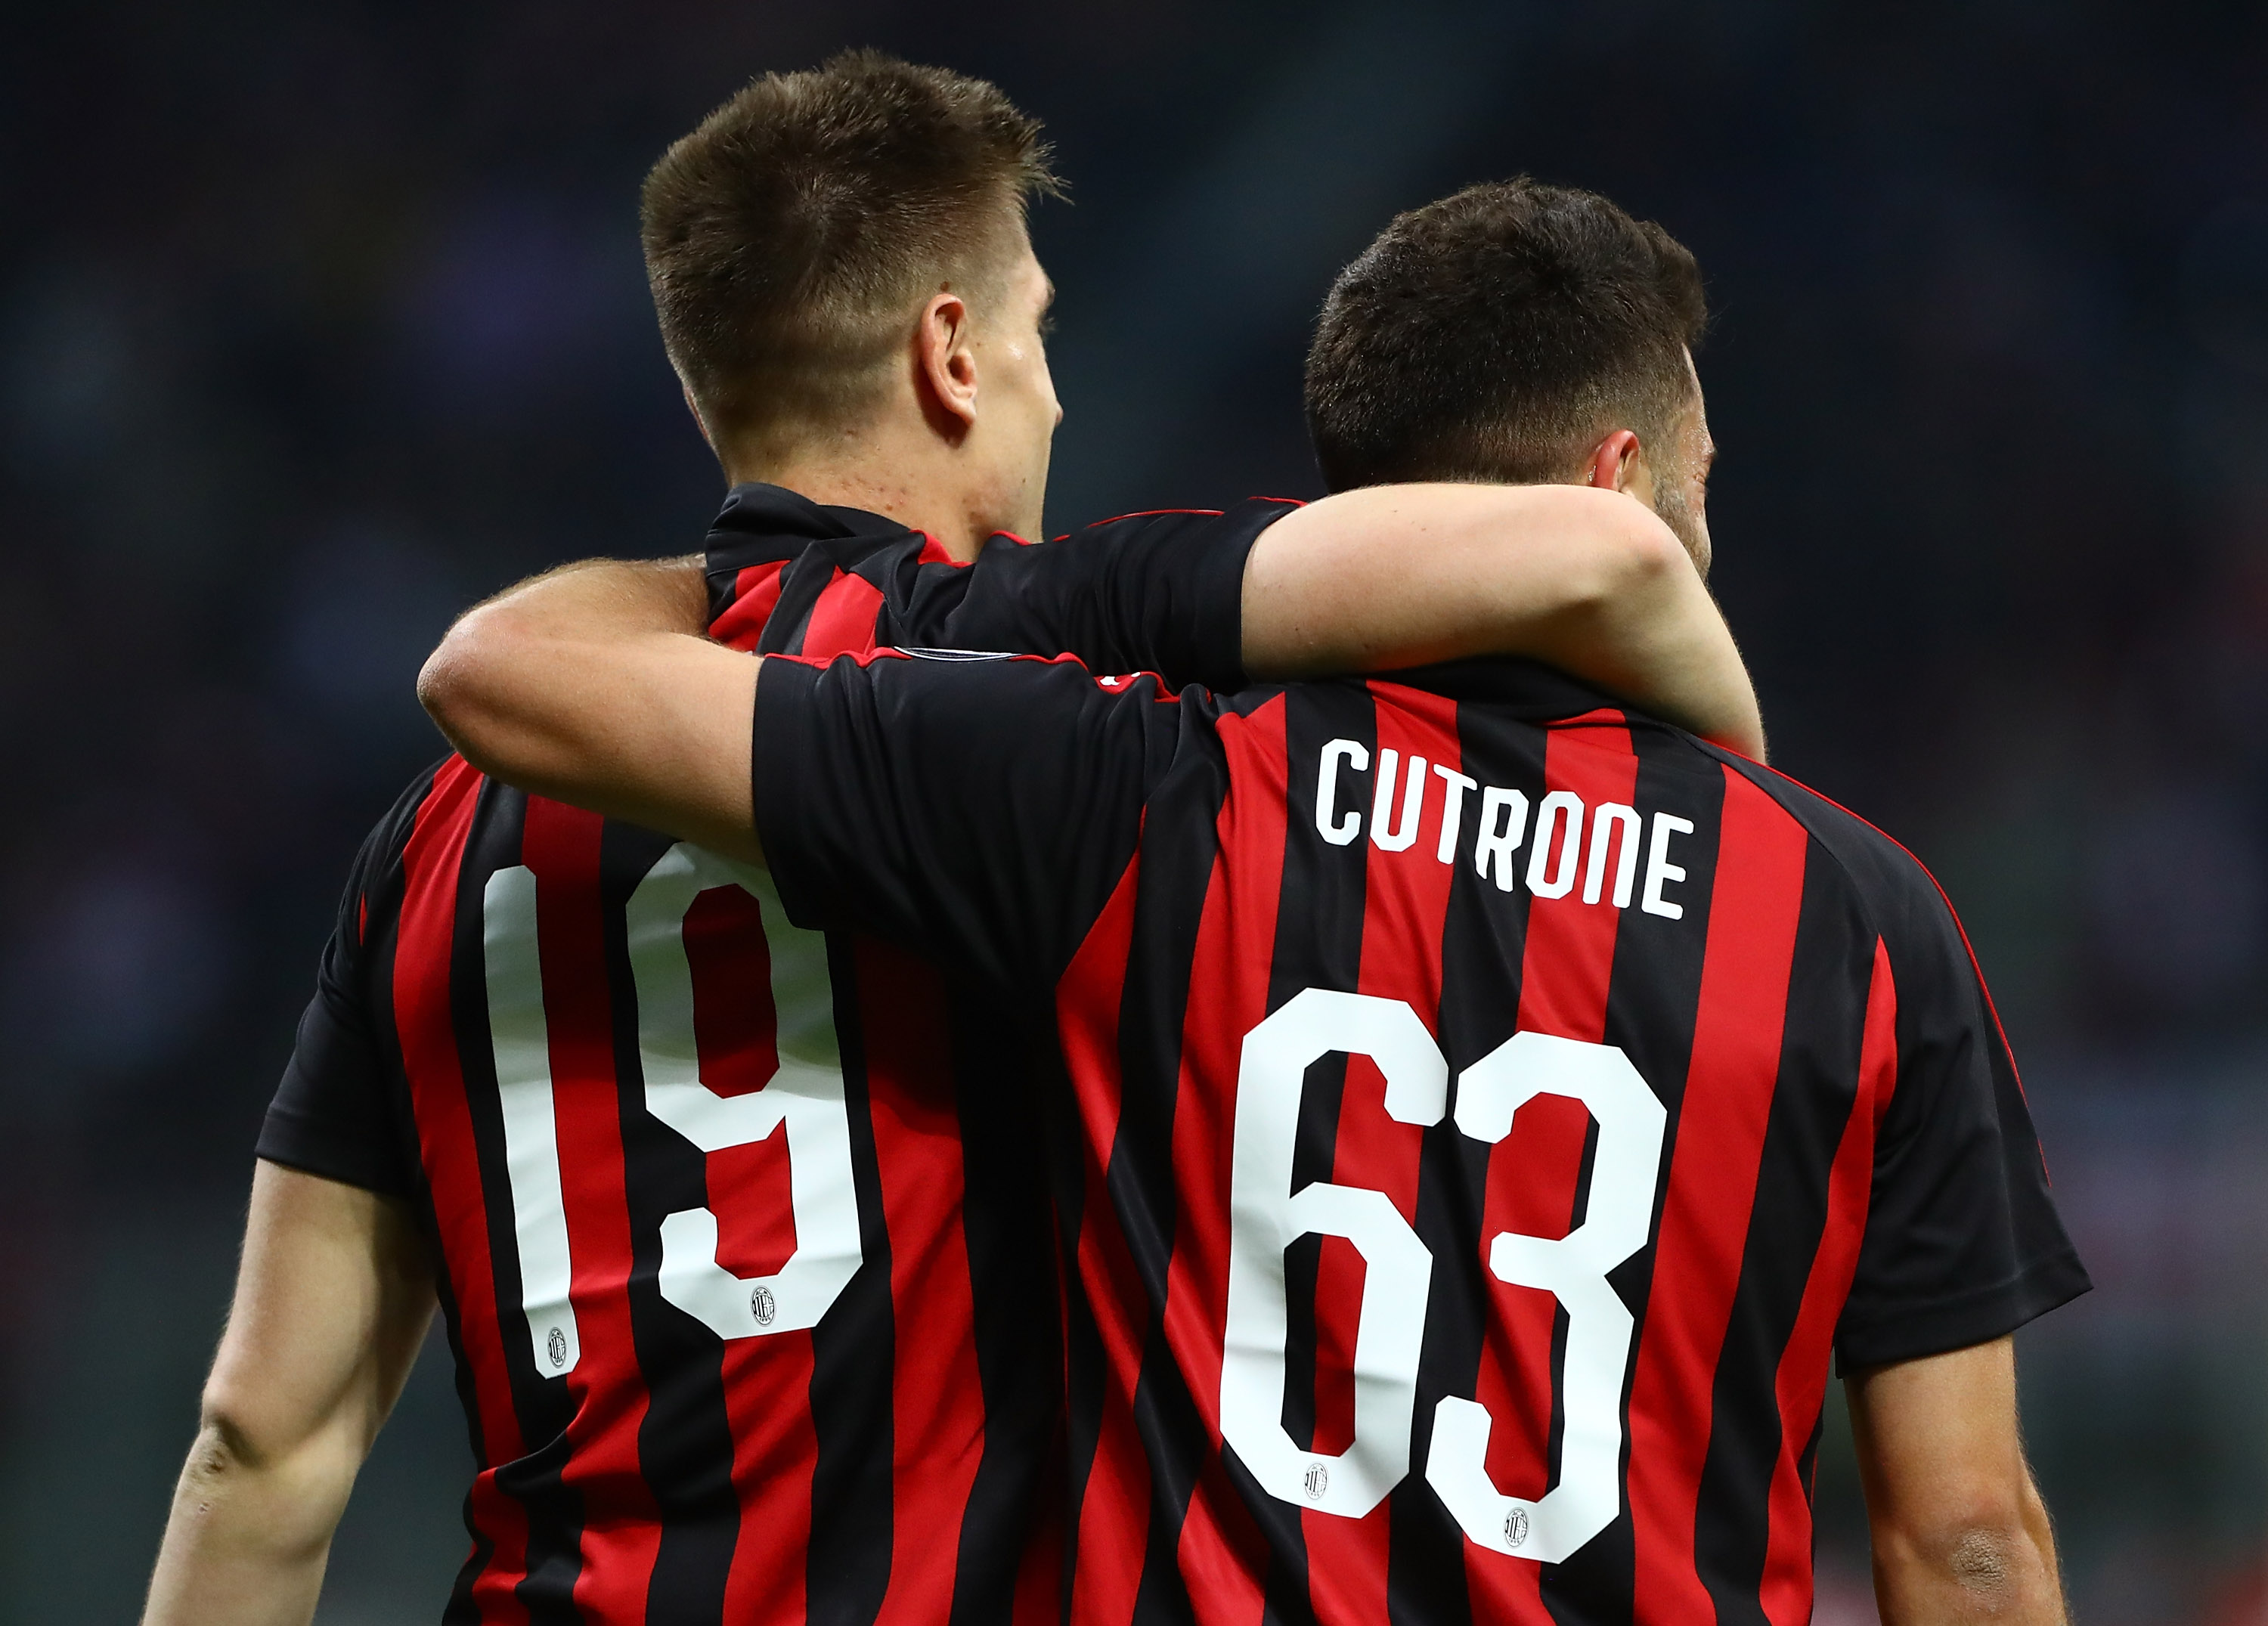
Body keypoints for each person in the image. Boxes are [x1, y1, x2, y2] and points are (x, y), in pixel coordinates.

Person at [140, 57, 1758, 1626]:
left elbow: (263, 1443)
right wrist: (1745, 793)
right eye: (1042, 331)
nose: (1060, 386)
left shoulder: (426, 841)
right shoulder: (1036, 669)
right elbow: (1595, 561)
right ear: (953, 355)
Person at [423, 179, 2090, 1624]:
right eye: (1704, 483)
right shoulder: (1865, 922)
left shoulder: (1133, 791)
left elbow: (513, 679)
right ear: (1625, 472)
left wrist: (920, 587)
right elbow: (1964, 1534)